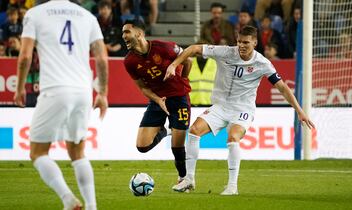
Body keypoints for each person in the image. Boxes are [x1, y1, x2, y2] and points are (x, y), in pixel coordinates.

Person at [165, 25, 315, 195]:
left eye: (246, 42)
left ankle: (232, 186)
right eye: (239, 42)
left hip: (243, 109)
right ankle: (189, 179)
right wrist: (173, 65)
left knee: (232, 137)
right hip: (221, 106)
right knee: (193, 131)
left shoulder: (262, 63)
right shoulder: (226, 52)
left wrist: (300, 111)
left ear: (255, 43)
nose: (242, 46)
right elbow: (193, 48)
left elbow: (282, 88)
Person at [13, 1, 108, 209]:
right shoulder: (87, 16)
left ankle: (68, 199)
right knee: (77, 152)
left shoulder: (35, 13)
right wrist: (102, 92)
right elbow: (101, 58)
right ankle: (92, 206)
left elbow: (25, 56)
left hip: (55, 89)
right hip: (84, 90)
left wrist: (20, 88)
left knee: (38, 153)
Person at [122, 19, 192, 188]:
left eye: (127, 32)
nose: (123, 36)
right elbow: (142, 87)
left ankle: (184, 178)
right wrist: (157, 100)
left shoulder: (164, 48)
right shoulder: (130, 61)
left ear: (139, 34)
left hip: (179, 98)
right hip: (158, 100)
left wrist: (182, 79)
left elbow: (188, 60)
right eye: (122, 32)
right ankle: (165, 130)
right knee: (142, 146)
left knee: (178, 146)